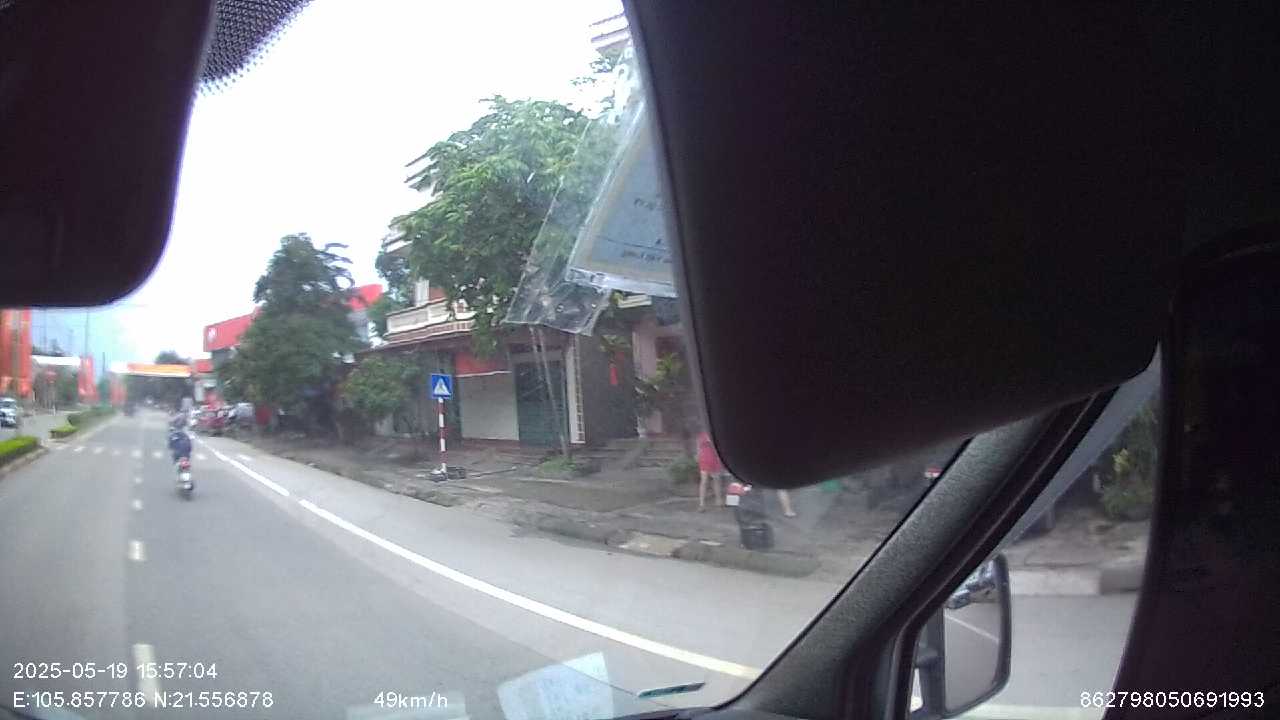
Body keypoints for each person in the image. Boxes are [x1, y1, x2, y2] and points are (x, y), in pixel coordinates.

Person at [696, 430, 725, 511]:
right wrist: (698, 457)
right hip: (704, 460)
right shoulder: (702, 435)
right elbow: (698, 447)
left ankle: (718, 502)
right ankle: (702, 504)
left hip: (715, 460)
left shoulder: (716, 434)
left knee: (716, 480)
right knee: (704, 482)